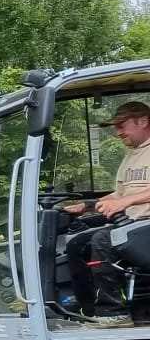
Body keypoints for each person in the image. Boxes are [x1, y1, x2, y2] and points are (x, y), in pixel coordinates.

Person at [61, 101, 150, 316]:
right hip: (133, 224)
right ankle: (88, 308)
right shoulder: (133, 156)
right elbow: (120, 194)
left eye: (122, 126)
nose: (118, 132)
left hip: (145, 224)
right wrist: (87, 206)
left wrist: (125, 203)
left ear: (143, 121)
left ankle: (113, 312)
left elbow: (124, 200)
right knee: (77, 244)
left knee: (102, 240)